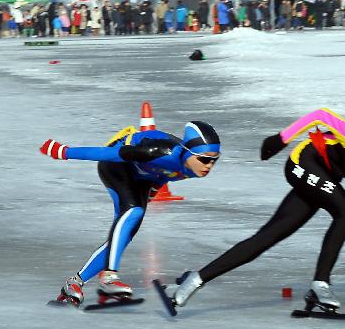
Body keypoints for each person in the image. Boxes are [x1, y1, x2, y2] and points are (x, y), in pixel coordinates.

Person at [166, 109, 345, 314]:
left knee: (269, 236)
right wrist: (280, 139)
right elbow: (320, 115)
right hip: (304, 162)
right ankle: (320, 284)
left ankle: (196, 279)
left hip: (326, 175)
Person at [39, 120, 222, 307]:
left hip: (144, 177)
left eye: (215, 159)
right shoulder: (158, 151)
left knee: (125, 233)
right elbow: (106, 153)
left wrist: (153, 190)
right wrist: (63, 152)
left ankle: (74, 284)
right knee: (132, 213)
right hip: (117, 165)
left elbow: (166, 173)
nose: (209, 165)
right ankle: (109, 277)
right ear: (188, 152)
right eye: (205, 159)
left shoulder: (193, 166)